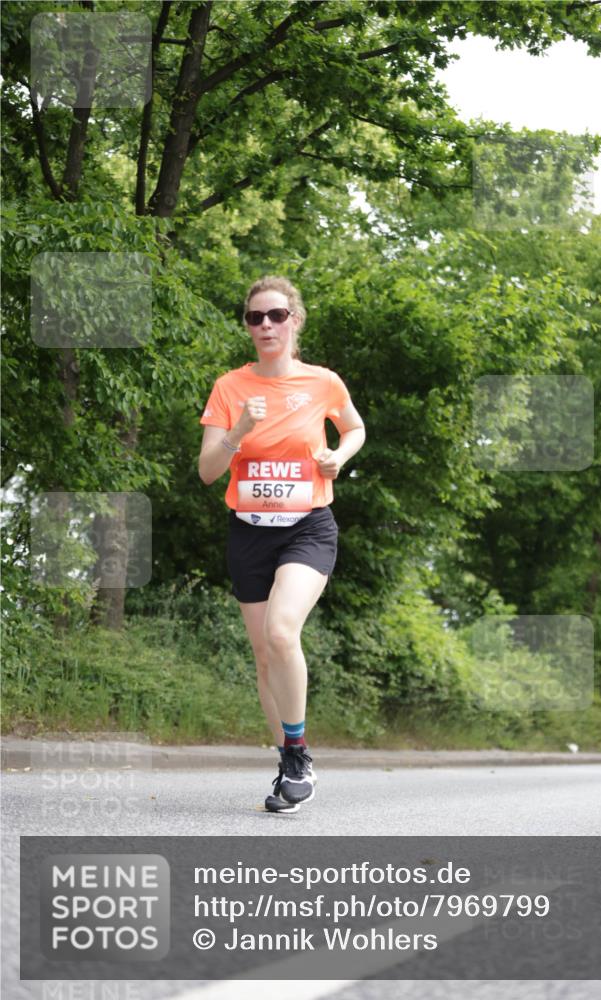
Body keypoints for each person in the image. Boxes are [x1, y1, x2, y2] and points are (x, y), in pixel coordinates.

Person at [198, 275, 365, 813]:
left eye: (275, 316)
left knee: (281, 629)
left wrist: (339, 457)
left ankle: (297, 756)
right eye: (255, 318)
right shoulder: (230, 387)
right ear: (248, 326)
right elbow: (207, 471)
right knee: (265, 655)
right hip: (248, 531)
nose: (265, 326)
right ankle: (289, 762)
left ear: (294, 320)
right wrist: (240, 427)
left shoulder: (323, 382)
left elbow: (355, 429)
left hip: (307, 526)